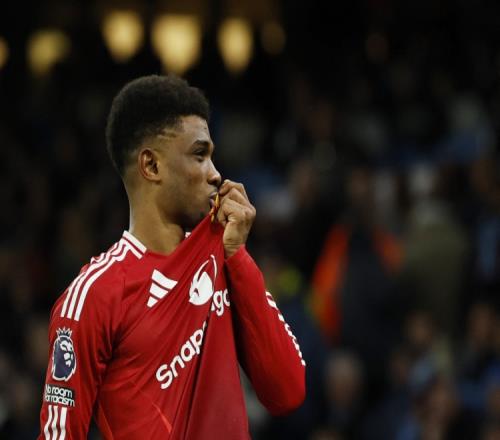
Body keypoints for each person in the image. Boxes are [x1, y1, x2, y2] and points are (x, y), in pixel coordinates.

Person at [37, 75, 305, 439]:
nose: (216, 174)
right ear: (151, 166)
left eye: (212, 156)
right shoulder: (94, 296)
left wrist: (238, 257)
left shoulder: (222, 256)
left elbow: (288, 392)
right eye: (199, 155)